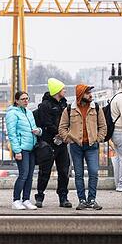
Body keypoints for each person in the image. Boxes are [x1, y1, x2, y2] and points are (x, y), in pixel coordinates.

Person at [58, 83, 107, 210]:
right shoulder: (69, 109)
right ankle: (82, 200)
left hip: (92, 145)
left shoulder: (96, 108)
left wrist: (98, 138)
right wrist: (68, 139)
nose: (90, 95)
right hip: (76, 146)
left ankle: (92, 199)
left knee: (93, 172)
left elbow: (103, 126)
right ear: (81, 95)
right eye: (87, 93)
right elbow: (62, 127)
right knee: (78, 174)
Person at [32, 79, 72, 208]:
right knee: (45, 172)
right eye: (63, 89)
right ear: (57, 91)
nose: (65, 91)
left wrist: (64, 134)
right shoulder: (46, 105)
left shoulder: (64, 104)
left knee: (64, 171)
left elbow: (68, 121)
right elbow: (46, 123)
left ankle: (63, 197)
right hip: (49, 143)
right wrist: (60, 132)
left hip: (62, 144)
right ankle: (40, 196)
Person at [5, 90, 41, 210]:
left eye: (27, 98)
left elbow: (34, 127)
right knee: (23, 174)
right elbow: (12, 133)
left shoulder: (29, 113)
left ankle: (26, 199)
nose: (26, 101)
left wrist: (38, 131)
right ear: (16, 101)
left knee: (30, 175)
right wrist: (17, 150)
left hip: (31, 148)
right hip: (22, 148)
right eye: (23, 99)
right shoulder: (12, 114)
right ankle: (16, 200)